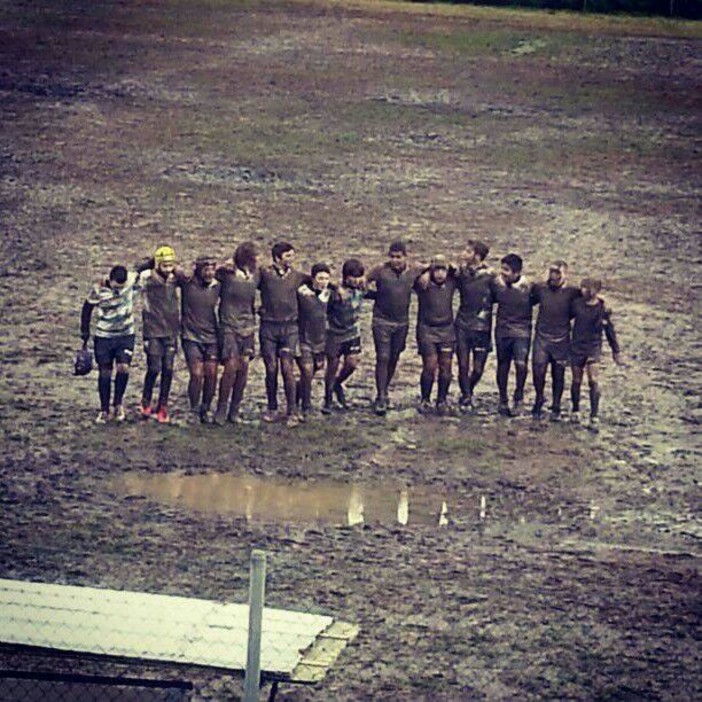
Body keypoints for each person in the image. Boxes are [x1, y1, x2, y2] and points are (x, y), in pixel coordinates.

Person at [365, 241, 424, 416]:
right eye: (392, 257)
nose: (395, 260)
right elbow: (363, 282)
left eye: (399, 257)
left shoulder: (413, 271)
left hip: (402, 322)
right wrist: (374, 295)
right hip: (381, 320)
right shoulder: (380, 270)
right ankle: (381, 395)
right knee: (382, 356)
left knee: (394, 357)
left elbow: (435, 267)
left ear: (406, 256)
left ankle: (385, 388)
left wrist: (426, 275)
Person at [80, 265, 140, 424]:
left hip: (126, 335)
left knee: (123, 367)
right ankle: (104, 409)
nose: (119, 290)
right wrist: (84, 332)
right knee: (105, 373)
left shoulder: (131, 279)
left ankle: (118, 404)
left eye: (122, 287)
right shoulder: (98, 289)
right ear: (110, 280)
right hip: (104, 337)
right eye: (116, 287)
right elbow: (87, 308)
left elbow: (144, 266)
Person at [258, 242, 308, 425]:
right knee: (271, 368)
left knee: (287, 369)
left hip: (290, 328)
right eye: (288, 256)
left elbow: (317, 281)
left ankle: (292, 410)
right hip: (268, 328)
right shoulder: (264, 274)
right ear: (278, 257)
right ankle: (272, 407)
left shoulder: (297, 276)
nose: (291, 259)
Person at [213, 242, 260, 426]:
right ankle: (221, 408)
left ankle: (235, 409)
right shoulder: (227, 274)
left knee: (244, 368)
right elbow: (205, 276)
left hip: (248, 326)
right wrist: (220, 267)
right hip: (229, 325)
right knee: (231, 367)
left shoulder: (256, 275)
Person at [570, 278, 622, 432]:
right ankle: (575, 410)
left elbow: (609, 330)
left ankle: (594, 415)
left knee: (593, 380)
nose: (585, 291)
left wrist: (615, 351)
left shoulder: (602, 309)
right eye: (583, 288)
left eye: (588, 288)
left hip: (593, 347)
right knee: (576, 380)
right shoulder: (576, 304)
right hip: (577, 346)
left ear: (597, 291)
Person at [530, 260, 581, 421]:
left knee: (558, 373)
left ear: (565, 274)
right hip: (542, 336)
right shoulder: (540, 288)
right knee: (538, 370)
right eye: (552, 272)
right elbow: (527, 299)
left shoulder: (572, 292)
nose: (554, 276)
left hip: (562, 337)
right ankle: (539, 398)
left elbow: (588, 299)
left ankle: (556, 404)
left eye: (558, 273)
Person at [137, 245, 180, 424]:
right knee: (154, 367)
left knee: (168, 369)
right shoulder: (147, 278)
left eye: (171, 265)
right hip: (153, 329)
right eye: (164, 265)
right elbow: (136, 273)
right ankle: (146, 400)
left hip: (170, 329)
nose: (168, 269)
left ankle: (163, 405)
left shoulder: (175, 278)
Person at [176, 256, 220, 423]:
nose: (209, 273)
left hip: (211, 337)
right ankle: (194, 408)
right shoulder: (187, 283)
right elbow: (170, 268)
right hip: (191, 336)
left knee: (212, 374)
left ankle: (206, 408)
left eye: (212, 270)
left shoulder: (218, 285)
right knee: (196, 374)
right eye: (205, 270)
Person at [454, 240, 496, 412]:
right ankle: (466, 396)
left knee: (478, 368)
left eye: (468, 251)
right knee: (463, 364)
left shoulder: (491, 276)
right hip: (462, 324)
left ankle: (469, 389)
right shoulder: (460, 272)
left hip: (482, 326)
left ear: (477, 255)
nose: (463, 253)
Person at [414, 255, 458, 415]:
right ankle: (425, 399)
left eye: (443, 269)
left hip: (447, 330)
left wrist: (452, 267)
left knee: (446, 367)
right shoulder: (423, 284)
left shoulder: (452, 282)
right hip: (427, 329)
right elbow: (412, 267)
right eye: (436, 269)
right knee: (430, 366)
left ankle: (442, 400)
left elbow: (460, 270)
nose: (440, 273)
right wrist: (425, 270)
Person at [490, 254, 533, 417]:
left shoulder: (529, 287)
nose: (503, 273)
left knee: (521, 364)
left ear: (517, 272)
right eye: (502, 268)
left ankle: (519, 395)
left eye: (507, 270)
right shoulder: (496, 284)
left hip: (522, 330)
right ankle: (502, 398)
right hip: (502, 330)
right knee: (503, 364)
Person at [323, 259, 365, 415]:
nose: (355, 280)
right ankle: (327, 399)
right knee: (332, 366)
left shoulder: (361, 289)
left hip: (353, 333)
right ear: (345, 277)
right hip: (334, 334)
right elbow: (322, 287)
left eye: (358, 276)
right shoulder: (335, 293)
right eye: (352, 277)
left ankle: (337, 383)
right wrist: (335, 287)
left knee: (352, 364)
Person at [297, 263, 332, 419]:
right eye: (320, 278)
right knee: (307, 370)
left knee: (315, 369)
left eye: (326, 278)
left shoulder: (330, 294)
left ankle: (297, 393)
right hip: (304, 337)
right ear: (313, 278)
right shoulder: (302, 293)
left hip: (322, 339)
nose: (322, 281)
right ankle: (306, 405)